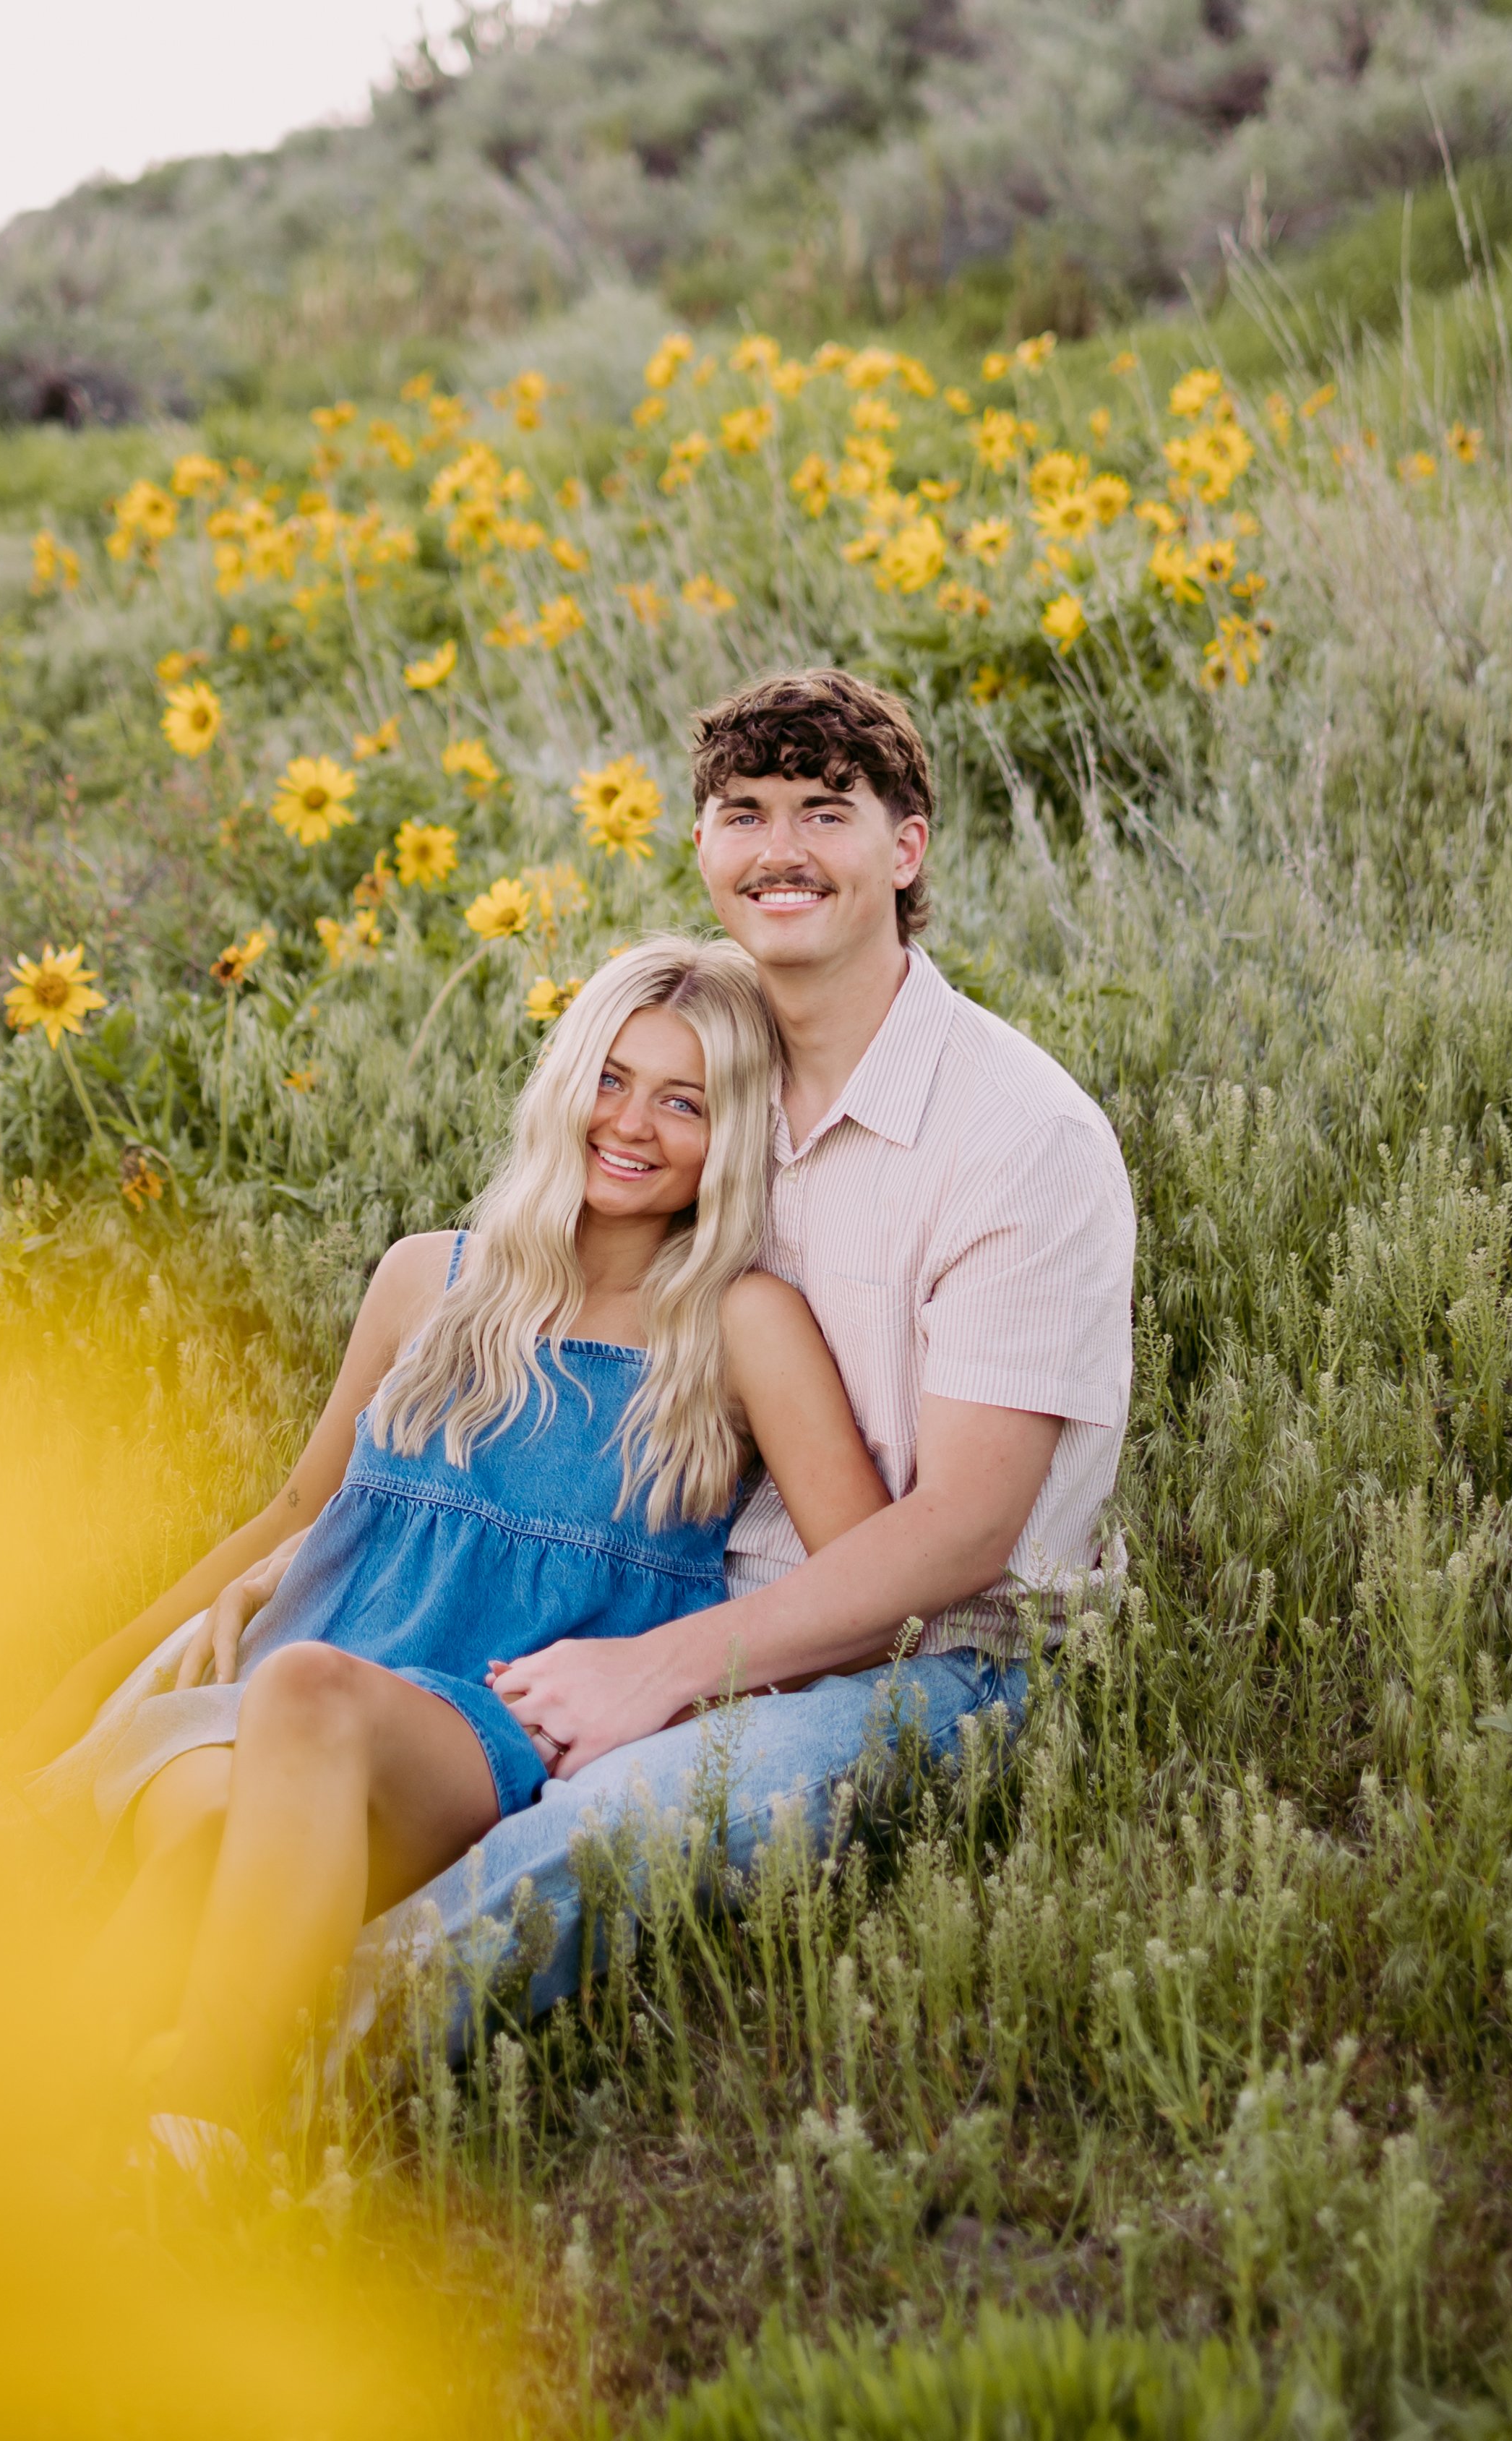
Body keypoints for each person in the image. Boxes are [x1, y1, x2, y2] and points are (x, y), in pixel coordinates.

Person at [349, 667, 1138, 2040]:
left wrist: (662, 1671)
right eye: (744, 811)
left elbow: (962, 1534)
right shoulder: (706, 1079)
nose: (780, 849)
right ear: (704, 847)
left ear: (906, 847)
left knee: (598, 1830)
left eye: (826, 812)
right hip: (664, 1570)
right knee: (332, 1708)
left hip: (934, 1653)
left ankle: (246, 2080)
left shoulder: (1017, 1139)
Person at [21, 935, 891, 2134]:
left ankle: (201, 2133)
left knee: (309, 1702)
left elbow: (869, 1584)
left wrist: (680, 1682)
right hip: (278, 1683)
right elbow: (295, 1511)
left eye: (683, 1101)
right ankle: (34, 2141)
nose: (630, 1122)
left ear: (730, 1135)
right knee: (200, 1830)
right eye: (610, 1077)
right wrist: (76, 1692)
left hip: (477, 1727)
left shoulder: (738, 1324)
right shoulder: (428, 1278)